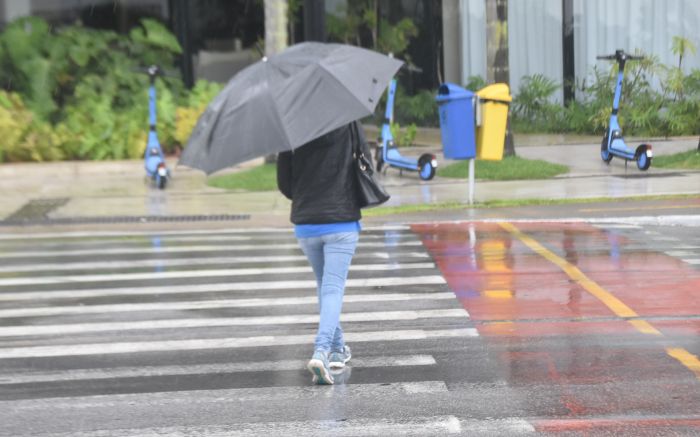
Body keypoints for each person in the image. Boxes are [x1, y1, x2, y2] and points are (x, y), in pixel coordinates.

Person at [277, 120, 371, 385]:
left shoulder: (292, 126)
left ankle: (338, 349)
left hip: (307, 224)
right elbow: (366, 166)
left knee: (325, 287)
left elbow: (285, 184)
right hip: (341, 220)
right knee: (332, 288)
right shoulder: (349, 121)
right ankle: (322, 350)